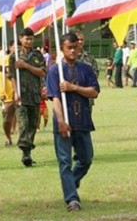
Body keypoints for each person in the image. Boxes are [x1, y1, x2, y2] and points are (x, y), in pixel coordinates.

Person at [46, 32, 100, 212]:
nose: (73, 51)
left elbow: (94, 92)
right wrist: (61, 121)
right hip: (64, 121)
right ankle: (72, 199)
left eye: (75, 47)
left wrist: (73, 87)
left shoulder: (86, 68)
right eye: (69, 47)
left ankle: (71, 182)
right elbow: (54, 98)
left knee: (86, 158)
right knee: (64, 161)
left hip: (82, 119)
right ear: (62, 48)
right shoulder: (55, 70)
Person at [9, 27, 46, 167]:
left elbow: (42, 72)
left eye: (31, 38)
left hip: (35, 94)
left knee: (32, 125)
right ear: (20, 39)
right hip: (22, 95)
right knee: (23, 124)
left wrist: (26, 66)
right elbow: (12, 76)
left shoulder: (37, 55)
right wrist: (15, 91)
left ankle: (28, 152)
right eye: (26, 38)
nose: (29, 41)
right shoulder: (15, 56)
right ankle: (25, 151)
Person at [0, 41, 16, 146]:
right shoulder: (3, 61)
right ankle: (8, 136)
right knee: (7, 118)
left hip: (21, 93)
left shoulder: (23, 60)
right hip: (8, 94)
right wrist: (1, 92)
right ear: (10, 47)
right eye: (15, 47)